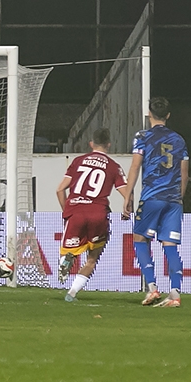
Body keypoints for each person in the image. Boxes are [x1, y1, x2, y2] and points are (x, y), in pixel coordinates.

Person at [122, 97, 189, 308]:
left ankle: (152, 289)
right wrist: (180, 196)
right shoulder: (179, 140)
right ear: (168, 115)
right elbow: (184, 172)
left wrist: (127, 195)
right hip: (173, 199)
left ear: (149, 114)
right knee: (170, 245)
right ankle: (175, 294)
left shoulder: (143, 136)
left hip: (152, 196)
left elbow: (135, 167)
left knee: (140, 238)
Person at [55, 128, 129, 302]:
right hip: (98, 213)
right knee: (92, 259)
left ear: (91, 144)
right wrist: (127, 210)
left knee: (69, 249)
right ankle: (72, 293)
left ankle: (67, 258)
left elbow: (59, 189)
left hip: (76, 210)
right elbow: (127, 194)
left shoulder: (78, 161)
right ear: (109, 145)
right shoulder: (114, 167)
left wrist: (67, 210)